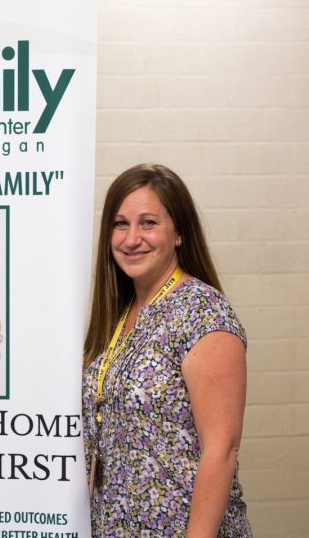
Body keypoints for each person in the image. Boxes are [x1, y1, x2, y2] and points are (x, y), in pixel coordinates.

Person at [82, 163, 251, 536]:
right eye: (120, 224)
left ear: (178, 233)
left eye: (148, 223)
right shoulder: (120, 314)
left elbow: (222, 449)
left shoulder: (202, 312)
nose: (131, 238)